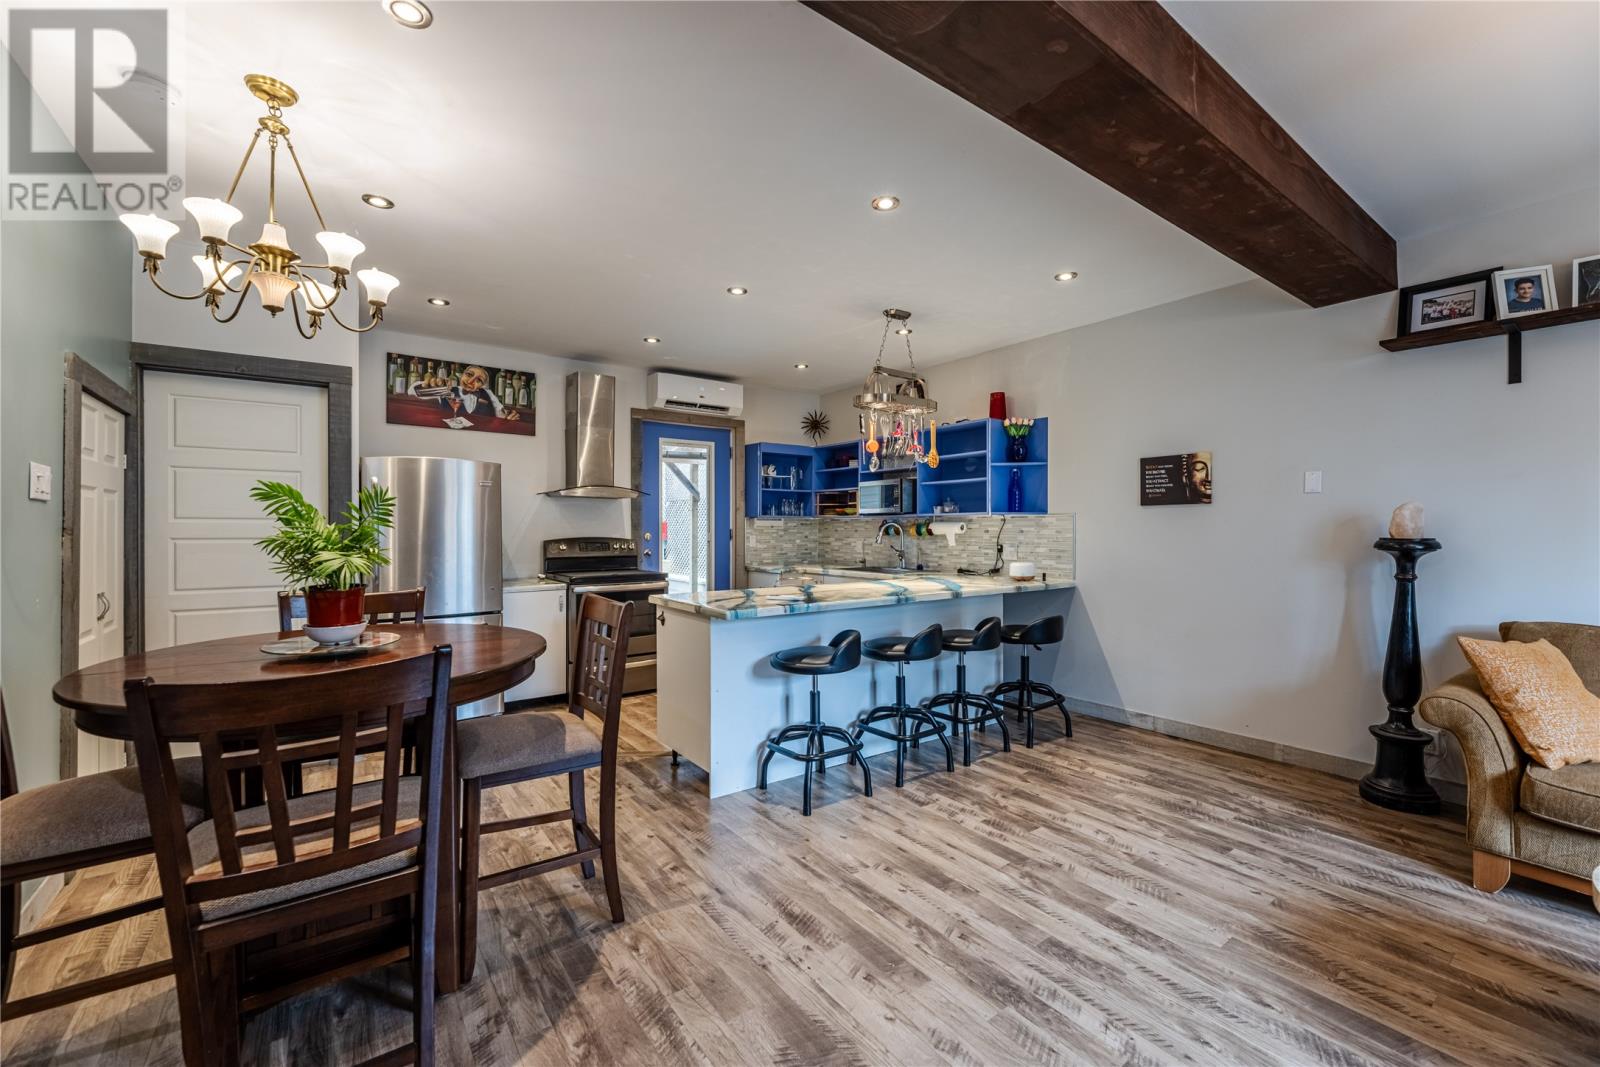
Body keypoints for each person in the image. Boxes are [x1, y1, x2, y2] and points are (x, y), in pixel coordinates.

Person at [409, 364, 519, 421]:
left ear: (482, 385)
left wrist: (509, 415)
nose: (470, 381)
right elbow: (412, 392)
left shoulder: (488, 393)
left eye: (478, 380)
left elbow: (501, 413)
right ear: (462, 375)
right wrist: (427, 384)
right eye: (469, 374)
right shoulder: (447, 389)